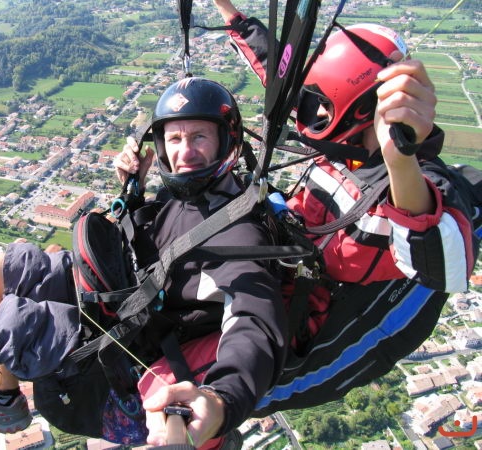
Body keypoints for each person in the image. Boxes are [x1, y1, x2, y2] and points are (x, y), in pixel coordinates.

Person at [0, 77, 288, 449]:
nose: (184, 152)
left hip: (130, 331)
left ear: (226, 141)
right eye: (175, 138)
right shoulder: (196, 190)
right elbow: (163, 238)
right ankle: (4, 397)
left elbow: (256, 321)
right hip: (119, 285)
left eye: (199, 136)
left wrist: (221, 399)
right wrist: (132, 190)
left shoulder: (237, 235)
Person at [144, 0, 479, 427]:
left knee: (167, 382)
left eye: (322, 105)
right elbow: (282, 73)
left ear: (360, 108)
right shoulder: (341, 135)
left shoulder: (416, 184)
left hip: (337, 336)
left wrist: (400, 160)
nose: (312, 113)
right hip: (293, 268)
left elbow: (446, 262)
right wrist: (229, 11)